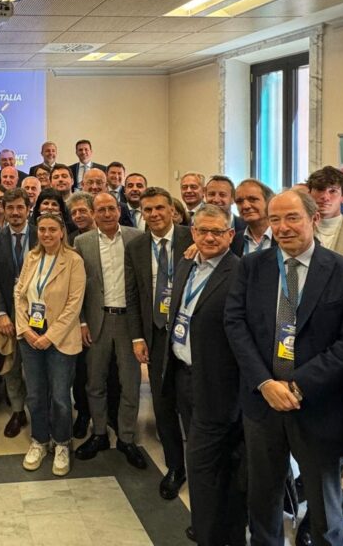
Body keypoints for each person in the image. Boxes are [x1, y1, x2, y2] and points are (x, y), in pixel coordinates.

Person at [224, 189, 343, 546]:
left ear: (314, 219)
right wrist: (264, 382)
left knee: (324, 505)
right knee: (263, 496)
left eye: (292, 218)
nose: (283, 227)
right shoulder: (251, 266)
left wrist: (297, 385)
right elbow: (235, 324)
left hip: (317, 404)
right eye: (275, 220)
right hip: (262, 403)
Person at [162, 204, 245, 544]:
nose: (209, 237)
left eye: (217, 232)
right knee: (205, 460)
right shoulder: (186, 263)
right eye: (202, 231)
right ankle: (212, 525)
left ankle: (211, 533)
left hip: (218, 383)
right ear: (192, 232)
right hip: (184, 376)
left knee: (203, 463)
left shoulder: (240, 273)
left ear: (231, 234)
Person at [125, 186, 193, 497]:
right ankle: (175, 466)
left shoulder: (192, 238)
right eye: (148, 210)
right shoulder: (137, 246)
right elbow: (133, 294)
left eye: (159, 208)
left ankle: (201, 465)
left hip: (189, 333)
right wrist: (138, 336)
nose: (154, 214)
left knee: (191, 404)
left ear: (172, 210)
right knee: (163, 404)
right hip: (155, 333)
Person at [74, 192, 146, 468]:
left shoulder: (136, 238)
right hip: (97, 321)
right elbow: (77, 286)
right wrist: (82, 321)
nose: (106, 214)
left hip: (129, 322)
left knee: (130, 382)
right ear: (93, 213)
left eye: (111, 208)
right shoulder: (82, 242)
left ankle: (126, 437)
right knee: (95, 382)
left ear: (119, 210)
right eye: (100, 209)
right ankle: (100, 433)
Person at [16, 212, 87, 476]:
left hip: (60, 337)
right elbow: (19, 294)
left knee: (60, 397)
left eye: (52, 230)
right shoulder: (32, 257)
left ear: (61, 232)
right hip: (30, 335)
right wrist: (25, 329)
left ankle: (62, 442)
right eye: (42, 229)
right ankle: (39, 440)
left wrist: (50, 335)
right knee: (35, 394)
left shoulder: (73, 261)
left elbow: (74, 304)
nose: (46, 234)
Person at [0, 188, 35, 438]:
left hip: (38, 312)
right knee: (12, 365)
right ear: (3, 210)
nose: (15, 212)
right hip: (8, 312)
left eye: (20, 207)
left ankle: (40, 411)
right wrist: (1, 313)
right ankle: (17, 411)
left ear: (28, 209)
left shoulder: (42, 234)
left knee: (36, 366)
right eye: (10, 208)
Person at [307, 165, 343, 260]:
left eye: (332, 191)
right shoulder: (296, 231)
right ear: (309, 194)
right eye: (319, 189)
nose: (325, 197)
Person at [232, 178, 275, 256]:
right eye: (239, 201)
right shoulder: (235, 240)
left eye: (252, 199)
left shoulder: (282, 236)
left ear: (269, 202)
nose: (245, 206)